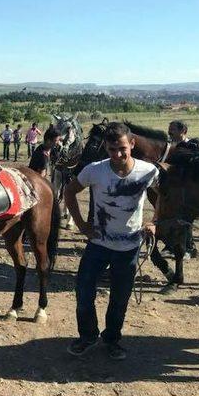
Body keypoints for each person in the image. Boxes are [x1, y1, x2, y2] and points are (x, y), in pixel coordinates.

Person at [64, 122, 158, 361]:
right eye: (111, 150)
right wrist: (83, 225)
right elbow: (69, 192)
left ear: (132, 144)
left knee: (119, 298)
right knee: (84, 292)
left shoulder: (148, 171)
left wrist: (154, 221)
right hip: (98, 245)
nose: (117, 155)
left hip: (129, 248)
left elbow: (164, 195)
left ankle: (112, 339)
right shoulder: (95, 170)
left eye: (122, 149)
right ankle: (87, 336)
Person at [166, 120, 198, 259]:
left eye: (172, 129)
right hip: (176, 188)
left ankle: (190, 248)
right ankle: (172, 246)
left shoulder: (193, 146)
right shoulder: (170, 147)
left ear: (183, 131)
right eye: (169, 128)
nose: (169, 132)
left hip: (189, 188)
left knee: (186, 218)